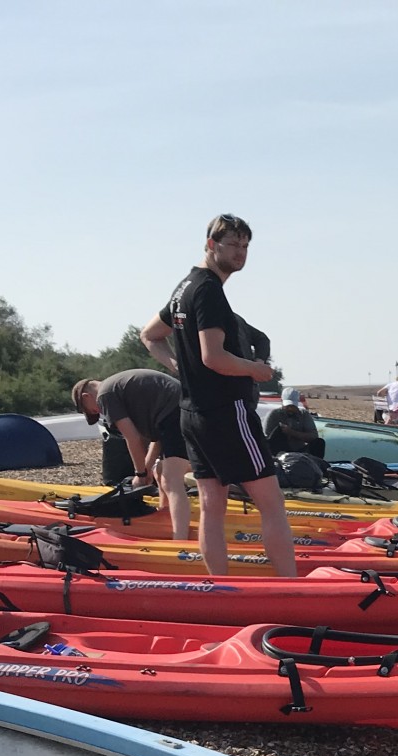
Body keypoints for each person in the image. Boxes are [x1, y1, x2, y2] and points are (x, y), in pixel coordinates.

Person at [138, 214, 296, 576]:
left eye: (245, 246)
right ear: (211, 245)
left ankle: (221, 584)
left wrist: (178, 366)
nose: (240, 253)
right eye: (233, 245)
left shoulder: (184, 287)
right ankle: (290, 585)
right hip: (227, 412)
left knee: (212, 505)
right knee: (271, 504)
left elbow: (150, 334)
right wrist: (255, 369)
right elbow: (215, 357)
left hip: (192, 413)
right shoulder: (208, 290)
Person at [71, 369, 191, 539]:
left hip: (179, 411)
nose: (98, 413)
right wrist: (147, 469)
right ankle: (165, 520)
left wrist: (140, 474)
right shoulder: (125, 392)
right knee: (160, 471)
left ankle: (180, 540)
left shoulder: (105, 395)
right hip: (177, 411)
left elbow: (132, 438)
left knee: (171, 479)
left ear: (86, 396)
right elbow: (156, 440)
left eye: (91, 411)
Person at [262, 388, 325, 460]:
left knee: (319, 443)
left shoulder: (303, 414)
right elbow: (267, 440)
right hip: (279, 452)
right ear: (282, 401)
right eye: (288, 406)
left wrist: (292, 432)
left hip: (300, 450)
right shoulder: (274, 415)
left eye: (293, 406)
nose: (290, 409)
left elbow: (313, 436)